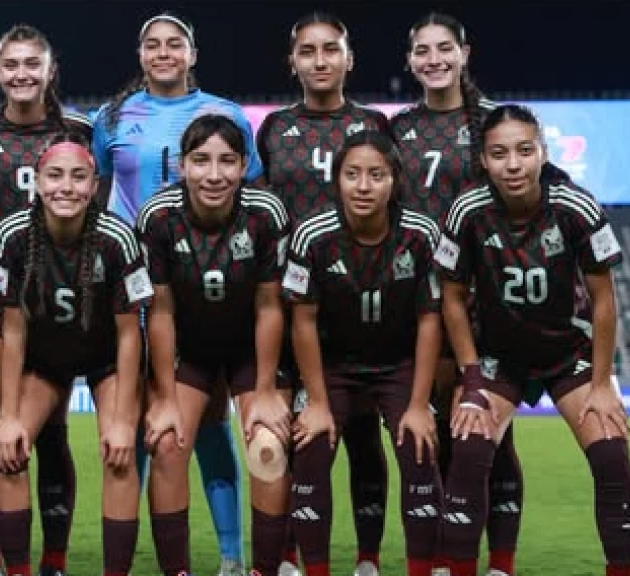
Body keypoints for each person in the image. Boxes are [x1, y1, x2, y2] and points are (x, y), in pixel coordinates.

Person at [434, 104, 630, 576]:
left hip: (567, 355)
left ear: (542, 153)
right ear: (484, 160)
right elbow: (451, 298)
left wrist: (604, 382)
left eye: (524, 151)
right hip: (499, 357)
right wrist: (470, 379)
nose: (513, 164)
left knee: (612, 452)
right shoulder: (467, 211)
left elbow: (603, 299)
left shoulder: (575, 206)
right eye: (499, 153)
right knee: (468, 450)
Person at [92, 14, 263, 574]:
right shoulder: (111, 117)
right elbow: (94, 200)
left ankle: (233, 557)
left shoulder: (225, 114)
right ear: (140, 55)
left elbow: (249, 204)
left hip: (201, 289)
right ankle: (139, 552)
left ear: (192, 53)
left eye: (175, 44)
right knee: (141, 421)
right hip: (135, 288)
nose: (163, 53)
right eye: (152, 45)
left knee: (209, 422)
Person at [0, 25, 92, 576]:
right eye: (11, 64)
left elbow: (90, 200)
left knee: (52, 428)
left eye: (33, 63)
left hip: (58, 300)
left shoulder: (77, 128)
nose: (22, 73)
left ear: (50, 70)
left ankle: (51, 560)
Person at [254, 13, 390, 575]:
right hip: (292, 305)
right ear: (293, 62)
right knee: (295, 437)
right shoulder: (273, 129)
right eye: (307, 51)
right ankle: (288, 553)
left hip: (360, 303)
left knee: (362, 435)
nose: (319, 60)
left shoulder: (375, 124)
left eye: (330, 49)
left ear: (348, 59)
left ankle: (367, 558)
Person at [390, 14, 522, 576]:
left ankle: (498, 561)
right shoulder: (398, 128)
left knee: (490, 435)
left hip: (483, 297)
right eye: (423, 50)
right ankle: (445, 554)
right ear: (410, 60)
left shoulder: (495, 121)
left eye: (445, 48)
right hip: (417, 293)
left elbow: (534, 189)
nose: (434, 59)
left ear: (465, 53)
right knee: (438, 429)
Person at [0, 131, 151, 576]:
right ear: (37, 183)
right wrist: (6, 414)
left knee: (119, 454)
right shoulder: (12, 235)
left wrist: (121, 420)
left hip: (105, 359)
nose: (66, 186)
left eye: (79, 177)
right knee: (10, 449)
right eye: (55, 176)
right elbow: (13, 328)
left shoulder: (118, 237)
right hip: (42, 360)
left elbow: (129, 333)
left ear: (95, 184)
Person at [137, 114, 291, 576]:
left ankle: (260, 569)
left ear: (244, 165)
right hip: (191, 351)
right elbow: (159, 312)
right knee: (165, 444)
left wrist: (265, 390)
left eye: (227, 161)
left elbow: (269, 306)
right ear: (182, 165)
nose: (214, 173)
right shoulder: (158, 217)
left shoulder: (266, 213)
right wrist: (163, 398)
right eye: (201, 160)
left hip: (249, 349)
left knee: (267, 446)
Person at [284, 130, 444, 576]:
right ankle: (314, 568)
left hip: (398, 365)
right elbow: (303, 321)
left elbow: (431, 321)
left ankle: (412, 567)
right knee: (312, 446)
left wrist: (417, 404)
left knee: (419, 447)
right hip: (333, 367)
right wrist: (316, 403)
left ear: (394, 180)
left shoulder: (421, 233)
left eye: (376, 174)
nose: (363, 185)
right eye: (352, 174)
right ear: (337, 180)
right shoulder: (311, 235)